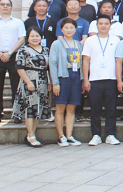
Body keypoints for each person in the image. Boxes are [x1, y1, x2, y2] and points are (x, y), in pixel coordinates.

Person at [0, 0, 26, 125]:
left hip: (13, 56)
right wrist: (0, 53)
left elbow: (22, 38)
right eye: (2, 4)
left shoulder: (18, 22)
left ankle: (17, 113)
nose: (5, 6)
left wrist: (10, 53)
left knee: (16, 87)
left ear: (11, 7)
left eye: (7, 4)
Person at [82, 14, 121, 146]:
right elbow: (85, 61)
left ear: (110, 26)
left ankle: (110, 134)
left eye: (106, 23)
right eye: (101, 24)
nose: (103, 26)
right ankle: (96, 135)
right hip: (94, 79)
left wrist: (119, 80)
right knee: (95, 109)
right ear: (97, 25)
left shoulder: (116, 40)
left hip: (111, 78)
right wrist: (86, 79)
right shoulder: (90, 41)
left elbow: (119, 61)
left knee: (111, 109)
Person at [12, 27, 51, 147]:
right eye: (32, 36)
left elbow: (48, 67)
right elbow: (19, 68)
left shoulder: (45, 49)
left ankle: (30, 134)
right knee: (30, 108)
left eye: (37, 36)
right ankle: (31, 135)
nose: (35, 38)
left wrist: (50, 82)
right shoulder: (23, 50)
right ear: (27, 38)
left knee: (38, 109)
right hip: (29, 81)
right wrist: (28, 82)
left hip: (43, 82)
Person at [49, 18, 83, 147]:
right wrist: (55, 82)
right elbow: (52, 63)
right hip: (63, 76)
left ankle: (69, 135)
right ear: (62, 30)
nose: (69, 30)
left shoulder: (78, 44)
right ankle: (60, 136)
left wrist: (82, 79)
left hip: (75, 76)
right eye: (66, 28)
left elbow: (81, 63)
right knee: (60, 107)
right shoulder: (57, 44)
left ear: (75, 30)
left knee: (71, 107)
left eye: (71, 28)